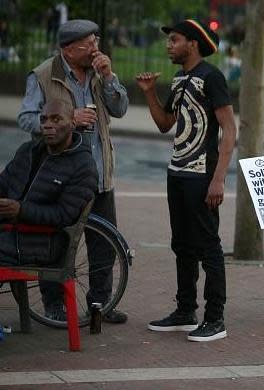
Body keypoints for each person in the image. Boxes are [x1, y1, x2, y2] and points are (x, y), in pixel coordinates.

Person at [17, 19, 129, 323]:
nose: (95, 48)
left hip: (99, 172)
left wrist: (108, 78)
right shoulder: (43, 75)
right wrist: (69, 118)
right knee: (56, 242)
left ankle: (100, 304)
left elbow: (120, 109)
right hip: (60, 178)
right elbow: (26, 119)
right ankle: (54, 305)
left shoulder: (98, 73)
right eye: (88, 43)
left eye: (96, 40)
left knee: (104, 243)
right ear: (68, 49)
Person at [135, 19, 237, 342]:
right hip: (177, 172)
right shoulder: (180, 79)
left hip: (201, 176)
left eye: (174, 40)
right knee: (181, 244)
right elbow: (166, 124)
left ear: (192, 43)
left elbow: (229, 129)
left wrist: (218, 178)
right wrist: (151, 94)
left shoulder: (212, 77)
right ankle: (185, 310)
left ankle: (215, 318)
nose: (168, 46)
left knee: (208, 245)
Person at [0, 99, 97, 269]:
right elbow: (3, 183)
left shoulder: (83, 166)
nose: (47, 125)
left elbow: (63, 215)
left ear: (73, 123)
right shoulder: (28, 150)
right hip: (9, 233)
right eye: (43, 119)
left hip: (42, 243)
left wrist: (21, 210)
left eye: (56, 119)